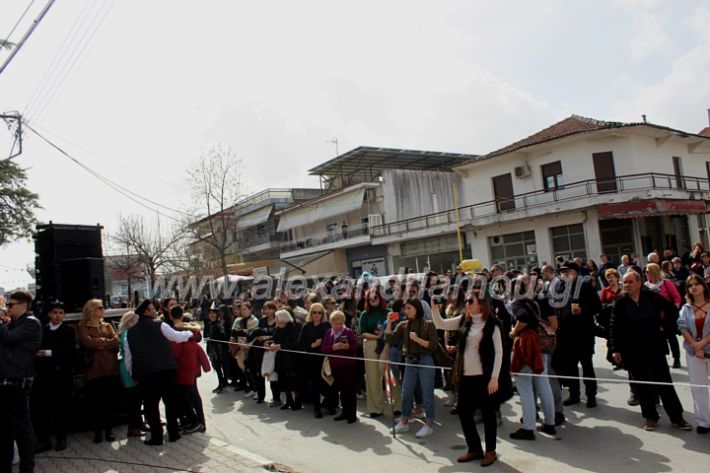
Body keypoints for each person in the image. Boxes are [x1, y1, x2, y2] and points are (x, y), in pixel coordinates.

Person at [610, 271, 692, 431]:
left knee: (664, 383)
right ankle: (650, 417)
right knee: (642, 385)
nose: (627, 285)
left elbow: (671, 311)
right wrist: (615, 349)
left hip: (655, 346)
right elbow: (614, 326)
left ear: (639, 282)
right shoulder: (620, 302)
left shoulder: (651, 297)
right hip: (633, 350)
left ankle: (677, 417)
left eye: (630, 282)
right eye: (625, 282)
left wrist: (665, 328)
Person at [431, 290, 505, 467]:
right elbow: (440, 324)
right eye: (466, 301)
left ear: (481, 303)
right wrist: (434, 309)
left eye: (470, 301)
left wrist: (495, 377)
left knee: (488, 414)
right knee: (464, 412)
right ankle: (475, 448)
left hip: (485, 377)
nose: (467, 304)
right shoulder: (464, 320)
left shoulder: (493, 324)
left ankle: (491, 451)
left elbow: (499, 352)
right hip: (465, 376)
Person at [125, 299, 196, 445]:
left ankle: (156, 437)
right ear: (146, 312)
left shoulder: (130, 334)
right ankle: (173, 433)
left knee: (150, 406)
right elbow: (177, 337)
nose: (155, 311)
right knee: (170, 402)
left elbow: (128, 358)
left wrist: (133, 374)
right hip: (166, 371)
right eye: (152, 309)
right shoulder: (160, 324)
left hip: (146, 374)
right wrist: (189, 333)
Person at [509, 276, 557, 440]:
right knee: (543, 384)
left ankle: (528, 427)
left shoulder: (518, 304)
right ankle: (550, 423)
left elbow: (523, 318)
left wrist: (514, 331)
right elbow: (552, 323)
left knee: (525, 389)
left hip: (526, 348)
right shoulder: (535, 303)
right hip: (540, 346)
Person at [0, 290, 42, 473]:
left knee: (22, 430)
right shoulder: (13, 323)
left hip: (16, 382)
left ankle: (27, 469)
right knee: (5, 430)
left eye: (10, 305)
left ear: (24, 305)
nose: (8, 308)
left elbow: (9, 339)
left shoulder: (31, 323)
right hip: (4, 382)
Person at [387, 299, 439, 438]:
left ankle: (429, 424)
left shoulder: (428, 324)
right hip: (410, 361)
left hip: (425, 360)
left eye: (409, 308)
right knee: (406, 393)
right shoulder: (403, 324)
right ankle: (404, 421)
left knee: (428, 394)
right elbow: (390, 340)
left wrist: (417, 339)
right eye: (405, 308)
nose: (406, 311)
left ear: (417, 308)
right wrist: (389, 323)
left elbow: (434, 345)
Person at [554, 261, 601, 408]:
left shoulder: (585, 287)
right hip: (566, 334)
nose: (565, 274)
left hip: (583, 333)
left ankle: (591, 395)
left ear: (576, 273)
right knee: (570, 366)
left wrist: (583, 310)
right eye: (563, 272)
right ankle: (574, 394)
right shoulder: (560, 287)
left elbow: (597, 307)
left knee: (587, 365)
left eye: (568, 271)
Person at [31, 300, 75, 453]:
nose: (58, 316)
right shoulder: (43, 330)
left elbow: (69, 353)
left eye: (61, 313)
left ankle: (61, 438)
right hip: (44, 375)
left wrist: (49, 353)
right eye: (55, 313)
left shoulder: (68, 330)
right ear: (49, 314)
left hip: (60, 376)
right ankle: (44, 440)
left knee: (60, 409)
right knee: (42, 409)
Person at [77, 299, 120, 444]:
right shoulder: (83, 327)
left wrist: (99, 343)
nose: (103, 310)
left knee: (109, 402)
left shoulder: (107, 325)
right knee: (95, 403)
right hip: (93, 370)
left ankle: (109, 430)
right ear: (92, 310)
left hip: (110, 369)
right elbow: (87, 342)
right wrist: (105, 343)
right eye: (100, 308)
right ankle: (97, 432)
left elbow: (116, 341)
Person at [677, 274, 710, 434]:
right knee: (698, 387)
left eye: (697, 284)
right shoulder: (686, 308)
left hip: (706, 348)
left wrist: (701, 344)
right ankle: (704, 421)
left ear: (703, 286)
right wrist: (695, 347)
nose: (694, 287)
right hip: (693, 353)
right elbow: (682, 327)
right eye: (690, 285)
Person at [322, 311, 359, 423]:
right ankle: (344, 412)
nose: (337, 326)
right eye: (335, 323)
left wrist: (347, 346)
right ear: (331, 322)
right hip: (335, 366)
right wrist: (332, 347)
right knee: (342, 390)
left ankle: (352, 414)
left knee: (350, 391)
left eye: (340, 323)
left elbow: (355, 348)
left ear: (343, 322)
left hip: (349, 366)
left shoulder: (348, 332)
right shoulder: (329, 332)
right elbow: (323, 349)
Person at [299, 303, 333, 418]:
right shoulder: (306, 326)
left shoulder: (327, 325)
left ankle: (330, 404)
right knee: (314, 385)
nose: (317, 315)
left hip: (324, 359)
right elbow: (301, 343)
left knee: (327, 382)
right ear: (311, 313)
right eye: (314, 312)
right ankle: (317, 408)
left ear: (323, 314)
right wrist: (312, 345)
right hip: (311, 360)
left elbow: (331, 341)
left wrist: (322, 344)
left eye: (319, 312)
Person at [645, 263, 682, 368]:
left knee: (671, 337)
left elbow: (676, 297)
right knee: (658, 339)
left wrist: (674, 309)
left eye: (647, 271)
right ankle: (662, 359)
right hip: (654, 317)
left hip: (667, 315)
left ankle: (676, 358)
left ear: (654, 271)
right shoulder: (645, 286)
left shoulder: (666, 283)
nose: (646, 273)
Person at [359, 288, 388, 418]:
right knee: (373, 377)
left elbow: (395, 329)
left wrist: (383, 334)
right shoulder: (365, 314)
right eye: (369, 298)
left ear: (380, 298)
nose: (372, 300)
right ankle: (375, 408)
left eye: (375, 297)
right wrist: (378, 336)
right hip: (371, 345)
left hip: (387, 345)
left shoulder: (388, 312)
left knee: (391, 376)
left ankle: (398, 407)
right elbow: (362, 333)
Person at [117, 311, 145, 438]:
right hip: (129, 369)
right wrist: (132, 372)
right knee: (134, 401)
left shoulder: (125, 333)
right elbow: (129, 356)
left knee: (134, 400)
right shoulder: (128, 334)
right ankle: (134, 428)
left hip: (127, 368)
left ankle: (136, 425)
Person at [270, 310, 302, 411]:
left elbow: (296, 344)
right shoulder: (278, 329)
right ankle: (289, 401)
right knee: (284, 380)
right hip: (281, 359)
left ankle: (298, 401)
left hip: (292, 359)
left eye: (276, 317)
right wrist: (271, 344)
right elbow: (274, 339)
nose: (275, 320)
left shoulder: (293, 328)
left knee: (294, 382)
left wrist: (282, 346)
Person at [204, 308, 229, 393]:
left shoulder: (220, 324)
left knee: (223, 366)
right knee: (216, 367)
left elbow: (222, 336)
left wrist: (211, 338)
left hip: (220, 349)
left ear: (216, 314)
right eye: (210, 313)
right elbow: (205, 335)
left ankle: (224, 384)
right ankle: (220, 383)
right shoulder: (208, 324)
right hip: (211, 349)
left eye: (213, 313)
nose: (212, 315)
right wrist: (207, 338)